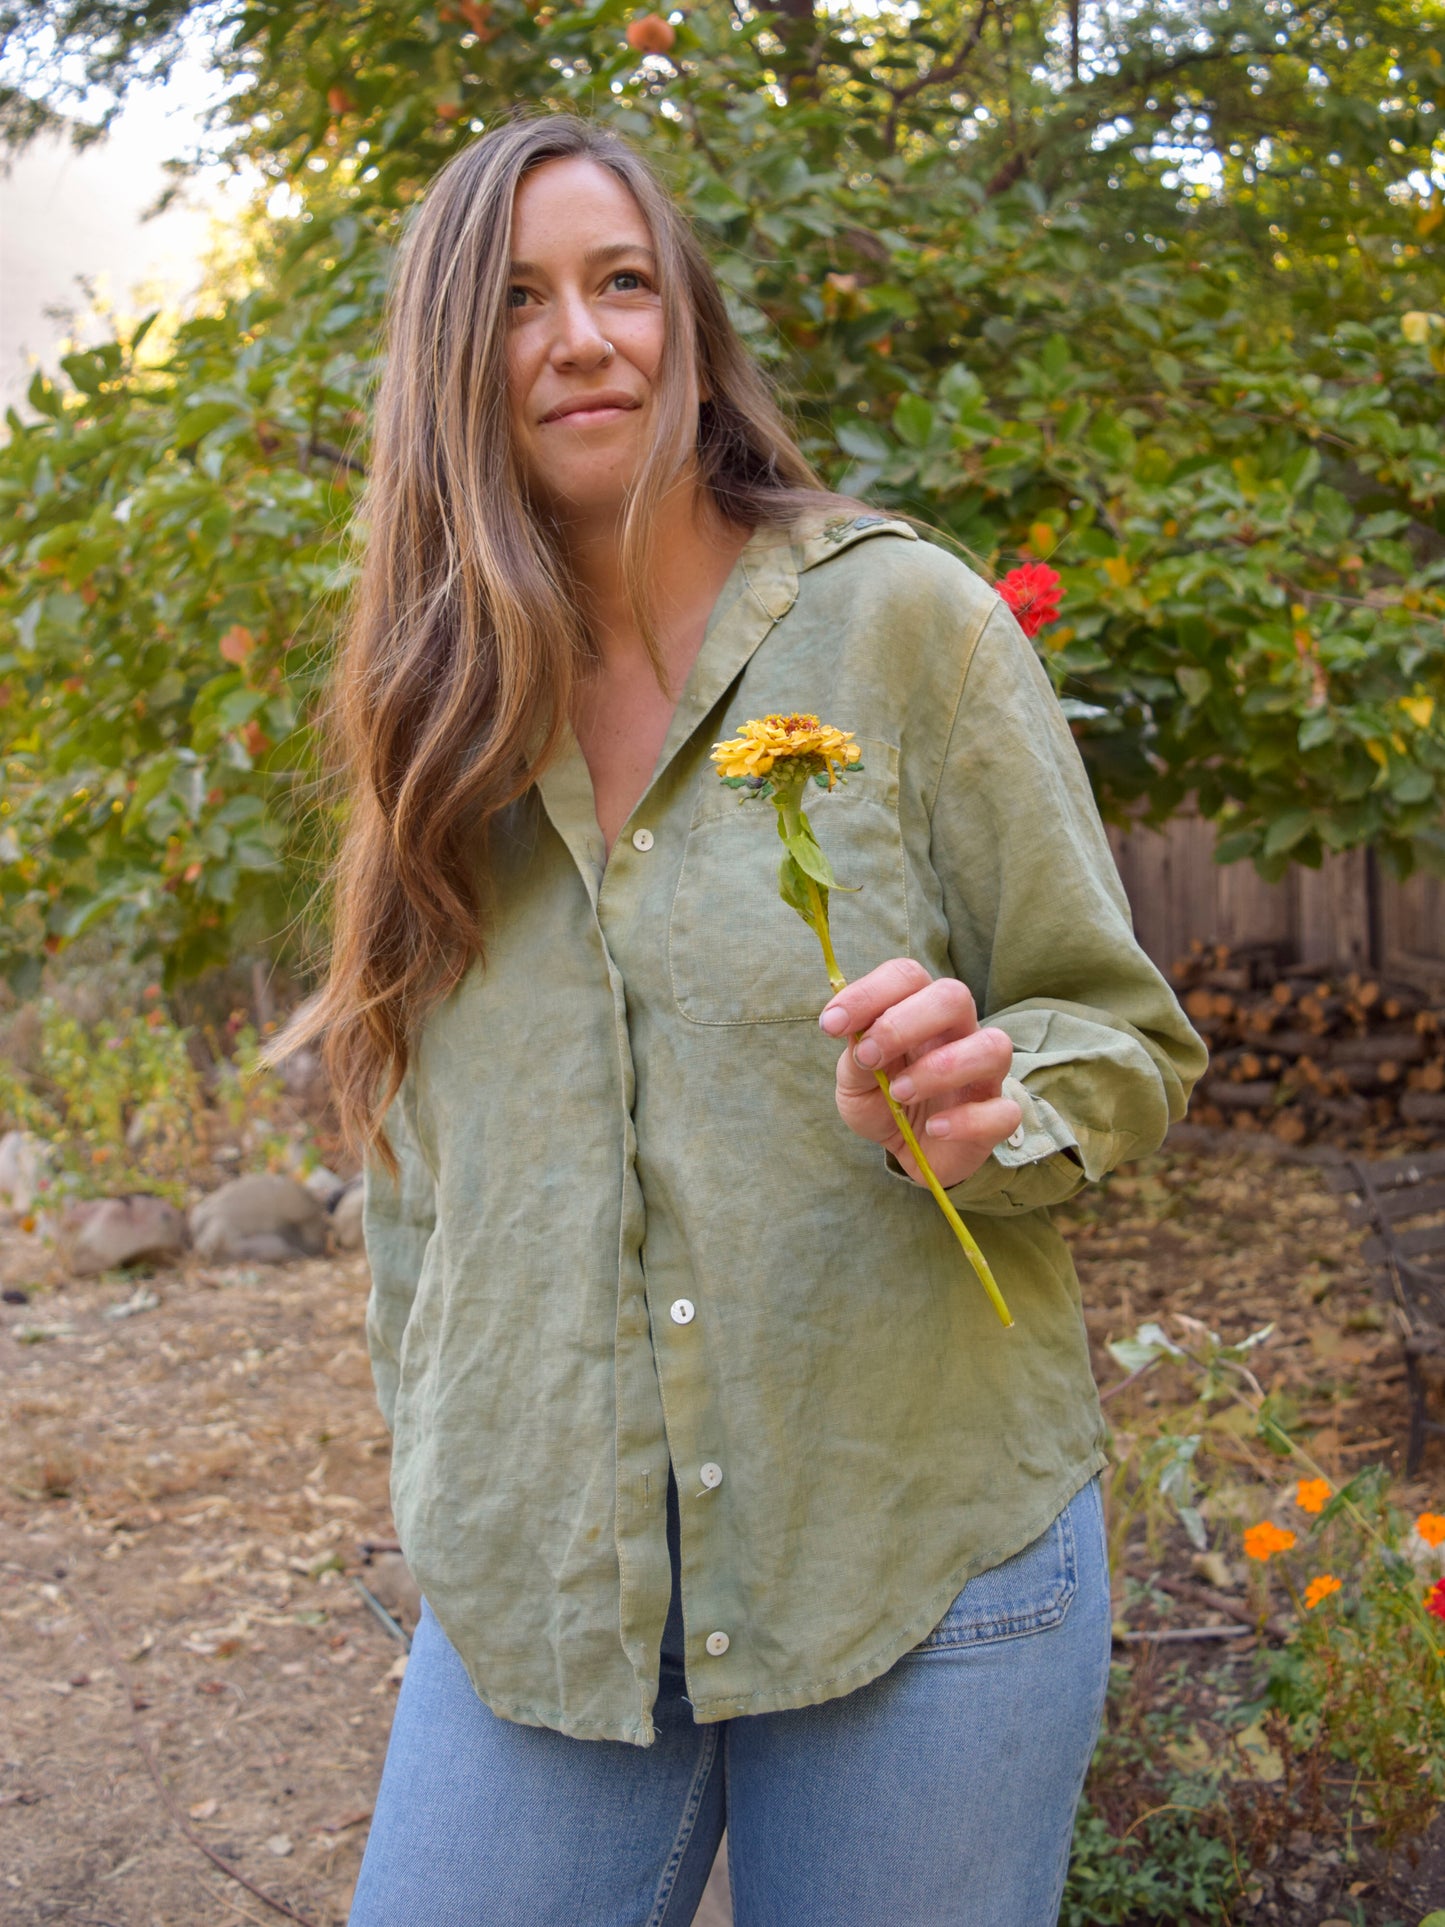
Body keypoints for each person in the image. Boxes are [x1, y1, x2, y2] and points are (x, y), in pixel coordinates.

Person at [294, 111, 1206, 1926]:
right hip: (550, 1589)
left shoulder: (903, 630)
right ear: (449, 362)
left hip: (916, 1560)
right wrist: (450, 1470)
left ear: (686, 323)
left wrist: (987, 1107)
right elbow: (419, 1167)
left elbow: (1120, 1031)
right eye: (519, 299)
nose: (581, 336)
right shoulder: (432, 719)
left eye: (622, 282)